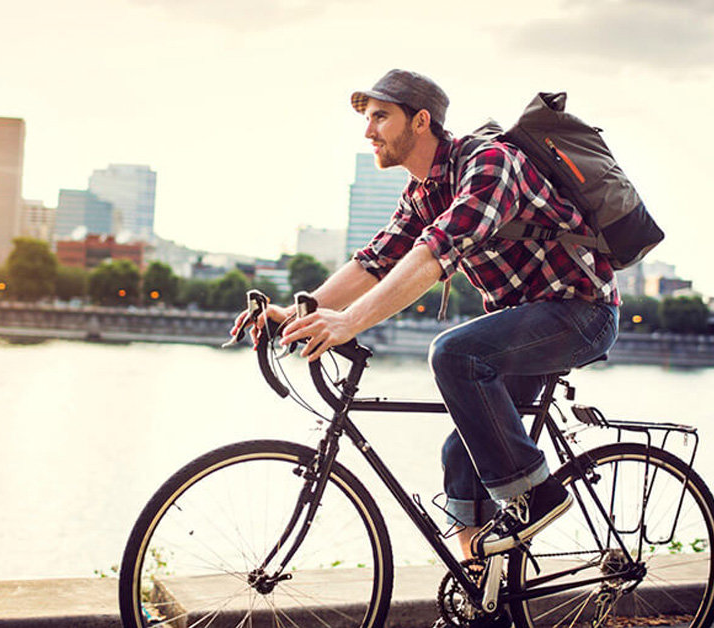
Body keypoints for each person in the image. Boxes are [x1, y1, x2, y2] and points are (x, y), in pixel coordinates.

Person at [232, 66, 619, 574]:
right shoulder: (421, 193)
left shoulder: (490, 163)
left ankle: (539, 496)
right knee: (464, 454)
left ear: (420, 122)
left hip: (580, 312)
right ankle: (483, 589)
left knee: (454, 353)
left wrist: (348, 322)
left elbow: (434, 255)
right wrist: (301, 310)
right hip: (523, 322)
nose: (368, 130)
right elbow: (374, 261)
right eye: (367, 119)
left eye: (380, 117)